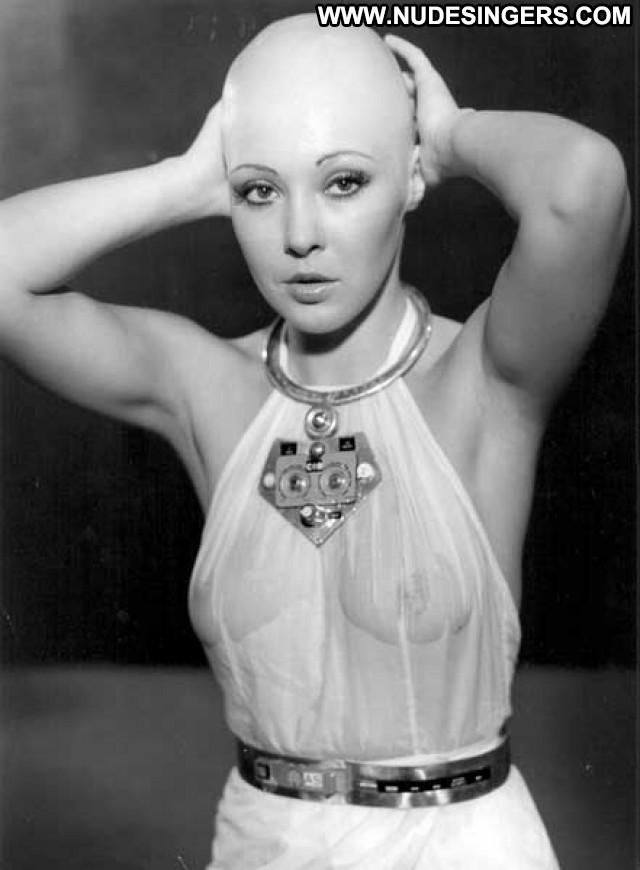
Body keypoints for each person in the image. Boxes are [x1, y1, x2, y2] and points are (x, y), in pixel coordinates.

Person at [0, 13, 629, 870]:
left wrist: (447, 135)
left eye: (344, 182)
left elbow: (585, 186)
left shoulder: (481, 381)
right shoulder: (208, 387)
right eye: (262, 192)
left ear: (409, 178)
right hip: (258, 843)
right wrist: (190, 182)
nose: (300, 234)